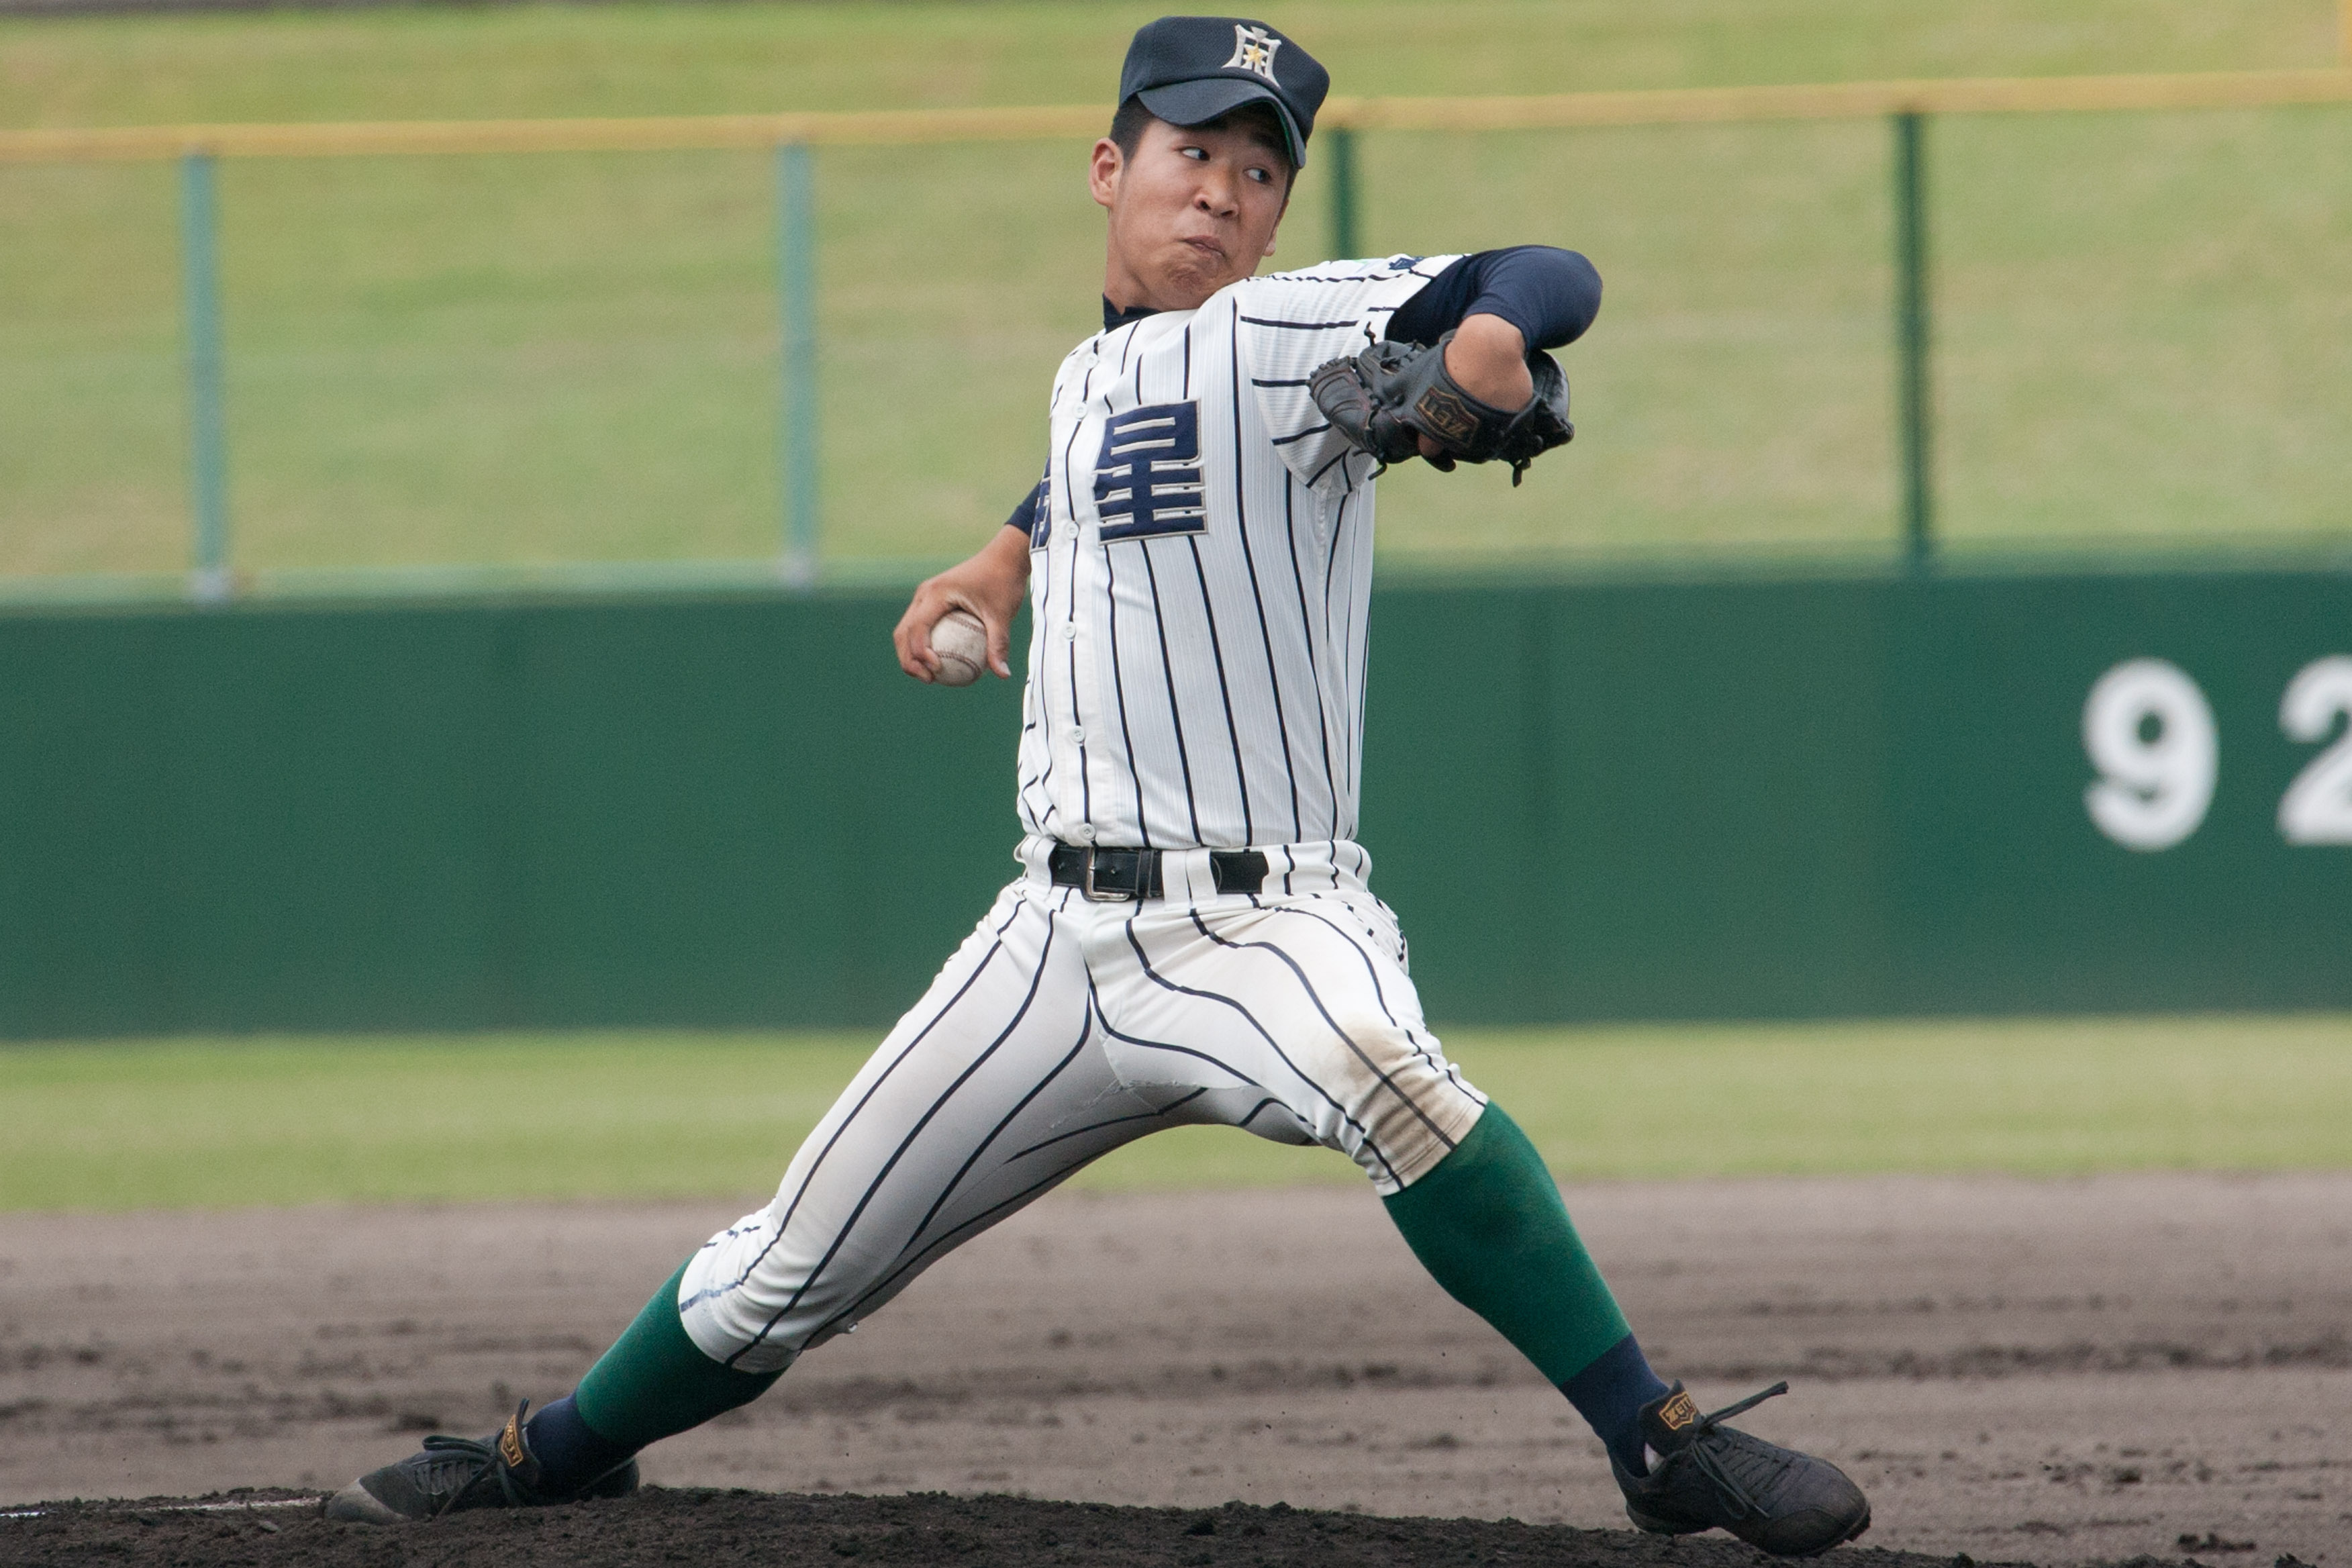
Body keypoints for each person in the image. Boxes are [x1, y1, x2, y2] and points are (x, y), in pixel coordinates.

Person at [325, 16, 1869, 1557]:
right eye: (1194, 153)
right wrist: (1001, 559)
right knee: (785, 1269)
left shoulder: (1293, 329)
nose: (1223, 195)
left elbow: (1547, 272)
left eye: (1260, 172)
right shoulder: (1087, 375)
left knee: (1400, 1090)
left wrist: (1485, 342)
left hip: (1269, 923)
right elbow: (1094, 461)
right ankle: (558, 1452)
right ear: (1108, 168)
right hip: (1052, 945)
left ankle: (1652, 1437)